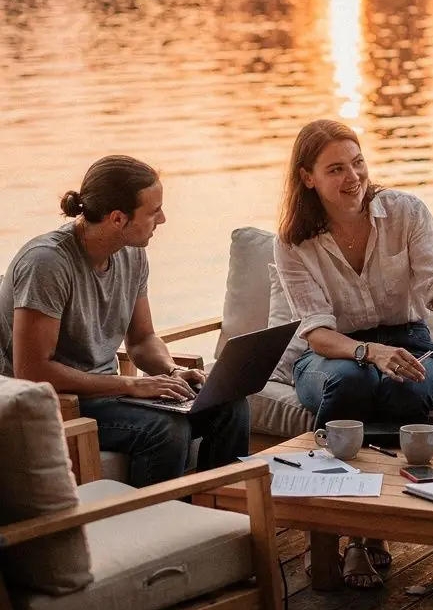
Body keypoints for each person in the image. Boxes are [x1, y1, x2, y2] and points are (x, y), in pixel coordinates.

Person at [275, 118, 433, 589]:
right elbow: (317, 333)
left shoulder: (405, 212)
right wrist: (369, 352)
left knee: (404, 381)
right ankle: (341, 537)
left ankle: (369, 534)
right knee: (353, 380)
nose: (353, 177)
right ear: (307, 177)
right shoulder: (294, 242)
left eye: (357, 163)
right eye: (335, 169)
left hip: (409, 342)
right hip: (331, 353)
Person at [0, 156, 249, 488]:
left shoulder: (132, 253)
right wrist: (132, 385)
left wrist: (170, 371)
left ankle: (216, 518)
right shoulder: (47, 264)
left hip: (106, 394)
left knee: (229, 407)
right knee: (167, 430)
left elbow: (143, 339)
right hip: (54, 404)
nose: (163, 218)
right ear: (118, 218)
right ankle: (155, 529)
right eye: (153, 211)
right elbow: (33, 372)